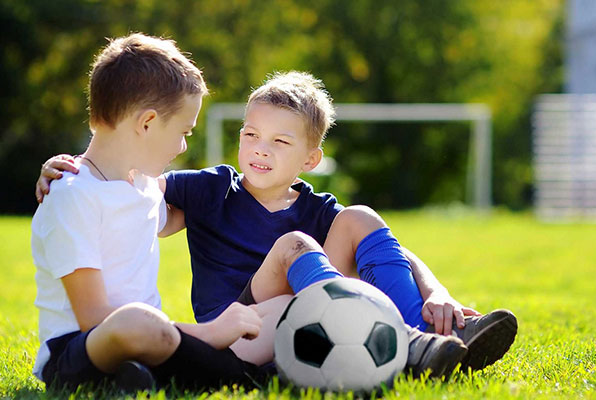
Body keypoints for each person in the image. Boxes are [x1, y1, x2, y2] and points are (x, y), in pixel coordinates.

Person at [37, 72, 517, 379]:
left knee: (360, 219)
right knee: (295, 246)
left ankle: (429, 340)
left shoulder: (316, 208)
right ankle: (405, 343)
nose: (260, 149)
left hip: (295, 314)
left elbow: (394, 251)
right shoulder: (209, 189)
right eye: (250, 135)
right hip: (235, 328)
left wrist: (437, 291)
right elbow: (131, 190)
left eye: (279, 141)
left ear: (311, 158)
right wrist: (66, 168)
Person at [31, 33, 346, 393]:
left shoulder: (144, 188)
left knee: (285, 307)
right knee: (137, 323)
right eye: (183, 131)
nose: (183, 145)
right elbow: (94, 319)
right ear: (147, 123)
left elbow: (196, 217)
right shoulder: (73, 197)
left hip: (158, 343)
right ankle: (231, 367)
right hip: (82, 349)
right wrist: (209, 332)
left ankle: (262, 371)